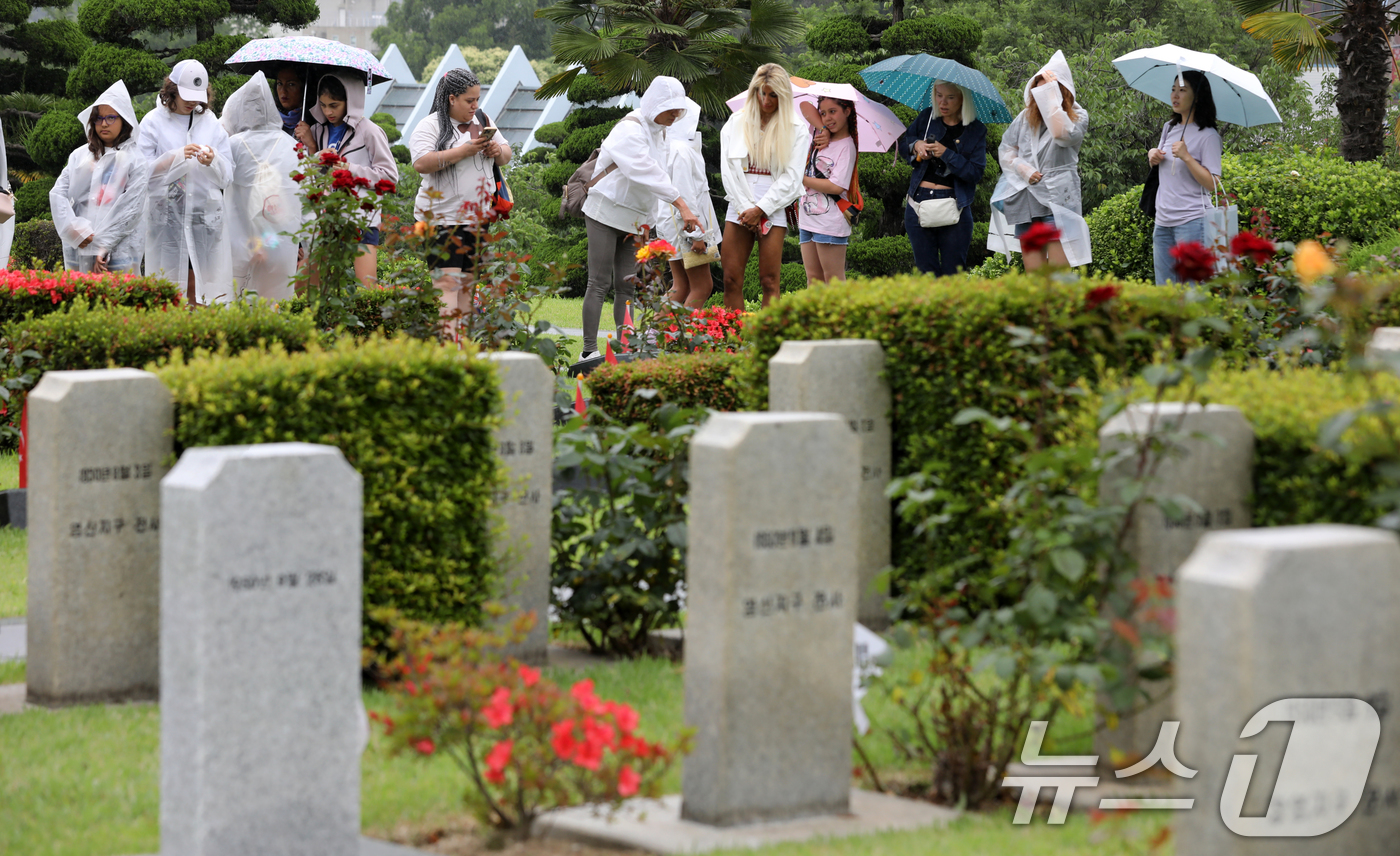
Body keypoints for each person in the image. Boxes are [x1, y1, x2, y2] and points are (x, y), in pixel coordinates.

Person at [579, 75, 700, 360]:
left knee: (627, 285)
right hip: (605, 211)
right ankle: (589, 352)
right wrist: (681, 204)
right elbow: (644, 171)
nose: (676, 115)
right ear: (655, 104)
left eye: (679, 110)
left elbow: (655, 181)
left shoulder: (660, 130)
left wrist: (648, 223)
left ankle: (627, 350)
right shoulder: (630, 129)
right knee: (599, 282)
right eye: (671, 109)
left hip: (633, 218)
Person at [409, 69, 513, 328]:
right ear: (451, 98)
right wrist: (462, 151)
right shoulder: (430, 125)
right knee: (447, 284)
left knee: (467, 285)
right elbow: (421, 163)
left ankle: (461, 350)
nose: (475, 105)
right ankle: (448, 352)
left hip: (478, 218)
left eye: (477, 99)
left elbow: (506, 153)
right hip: (442, 217)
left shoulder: (482, 118)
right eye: (470, 100)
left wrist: (496, 149)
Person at [139, 59, 233, 304]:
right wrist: (176, 157)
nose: (193, 102)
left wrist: (213, 159)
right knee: (168, 286)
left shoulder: (210, 121)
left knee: (207, 286)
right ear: (172, 90)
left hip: (204, 219)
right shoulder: (152, 122)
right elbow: (141, 173)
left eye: (198, 96)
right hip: (167, 219)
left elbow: (228, 173)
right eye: (186, 95)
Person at [298, 72, 399, 288]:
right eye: (323, 105)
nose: (328, 111)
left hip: (362, 219)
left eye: (334, 105)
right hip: (327, 219)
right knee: (309, 286)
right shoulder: (317, 130)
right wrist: (314, 152)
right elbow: (306, 176)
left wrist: (350, 169)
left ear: (350, 101)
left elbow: (390, 176)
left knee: (367, 288)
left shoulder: (370, 131)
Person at [992, 51, 1091, 270]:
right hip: (1027, 200)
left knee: (1058, 276)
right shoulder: (1026, 116)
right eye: (1038, 88)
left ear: (1061, 89)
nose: (1041, 93)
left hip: (1058, 199)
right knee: (1035, 277)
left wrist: (1052, 99)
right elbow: (1007, 149)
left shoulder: (1078, 115)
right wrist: (1023, 168)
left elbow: (1062, 134)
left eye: (1047, 88)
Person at [719, 63, 808, 309]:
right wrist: (745, 208)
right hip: (738, 200)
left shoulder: (797, 129)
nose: (766, 100)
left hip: (774, 203)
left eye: (773, 95)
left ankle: (768, 343)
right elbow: (728, 170)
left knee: (770, 280)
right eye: (761, 93)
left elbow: (792, 177)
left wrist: (760, 209)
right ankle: (732, 339)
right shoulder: (736, 122)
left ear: (784, 96)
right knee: (730, 278)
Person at [50, 81, 149, 275]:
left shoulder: (135, 160)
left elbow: (131, 208)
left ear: (125, 120)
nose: (104, 124)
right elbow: (58, 193)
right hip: (78, 245)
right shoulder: (79, 156)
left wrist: (103, 245)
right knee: (80, 299)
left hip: (119, 250)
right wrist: (73, 228)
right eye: (99, 118)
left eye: (111, 118)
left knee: (118, 300)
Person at [220, 71, 303, 301]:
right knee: (274, 305)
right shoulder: (293, 146)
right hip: (279, 241)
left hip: (241, 241)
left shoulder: (233, 145)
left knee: (233, 303)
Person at [898, 81, 986, 276]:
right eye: (938, 95)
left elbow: (975, 173)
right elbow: (904, 144)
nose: (942, 102)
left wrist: (946, 153)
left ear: (963, 99)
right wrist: (916, 145)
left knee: (953, 274)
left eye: (950, 97)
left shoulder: (976, 130)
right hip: (918, 203)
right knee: (926, 273)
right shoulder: (926, 118)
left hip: (956, 205)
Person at [1147, 69, 1222, 285]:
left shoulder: (1208, 135)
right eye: (1173, 90)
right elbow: (1163, 163)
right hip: (1162, 221)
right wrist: (1153, 155)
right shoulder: (1169, 128)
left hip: (1192, 221)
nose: (1175, 96)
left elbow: (1213, 184)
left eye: (1182, 90)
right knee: (1166, 290)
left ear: (1197, 96)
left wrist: (1187, 157)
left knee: (1193, 290)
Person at [656, 97, 722, 309]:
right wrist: (697, 236)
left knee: (680, 286)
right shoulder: (682, 152)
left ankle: (651, 336)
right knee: (702, 286)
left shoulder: (665, 148)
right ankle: (685, 339)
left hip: (671, 227)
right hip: (686, 229)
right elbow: (686, 196)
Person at [797, 95, 858, 285]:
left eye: (833, 112)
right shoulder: (820, 136)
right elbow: (804, 105)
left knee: (833, 281)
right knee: (813, 279)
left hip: (830, 223)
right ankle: (815, 316)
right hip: (807, 220)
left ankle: (841, 316)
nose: (827, 118)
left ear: (847, 112)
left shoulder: (847, 146)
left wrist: (802, 178)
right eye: (823, 113)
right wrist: (823, 128)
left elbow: (836, 186)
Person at [274, 65, 307, 139]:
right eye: (279, 83)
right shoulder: (268, 119)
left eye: (291, 84)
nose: (283, 90)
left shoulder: (316, 122)